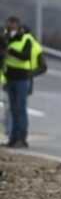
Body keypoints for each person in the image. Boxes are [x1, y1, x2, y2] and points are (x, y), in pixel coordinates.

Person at [2, 17, 42, 148]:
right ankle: (13, 137)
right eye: (9, 25)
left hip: (22, 77)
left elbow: (24, 55)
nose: (11, 27)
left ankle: (21, 137)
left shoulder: (26, 39)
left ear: (18, 25)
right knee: (12, 109)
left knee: (20, 108)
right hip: (10, 76)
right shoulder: (6, 38)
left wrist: (10, 51)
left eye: (13, 25)